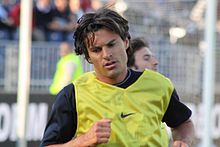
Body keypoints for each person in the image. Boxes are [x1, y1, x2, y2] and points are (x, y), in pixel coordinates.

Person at [40, 8, 194, 147]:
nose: (106, 55)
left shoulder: (159, 85)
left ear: (126, 42)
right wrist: (83, 141)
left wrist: (182, 141)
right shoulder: (73, 94)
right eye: (96, 50)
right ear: (88, 57)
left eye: (111, 44)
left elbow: (183, 123)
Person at [128, 37, 170, 146]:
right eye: (146, 58)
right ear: (130, 64)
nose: (155, 62)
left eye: (153, 58)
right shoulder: (116, 96)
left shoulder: (162, 89)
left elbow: (183, 123)